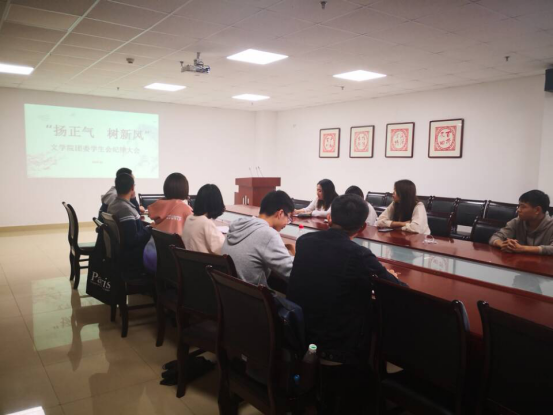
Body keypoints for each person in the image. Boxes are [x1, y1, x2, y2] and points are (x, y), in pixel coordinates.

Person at [287, 194, 406, 414]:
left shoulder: (304, 241)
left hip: (300, 330)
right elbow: (398, 290)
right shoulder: (359, 254)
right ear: (362, 227)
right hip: (337, 344)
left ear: (329, 218)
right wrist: (388, 275)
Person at [222, 190, 295, 286]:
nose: (287, 223)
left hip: (231, 291)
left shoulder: (237, 226)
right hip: (254, 294)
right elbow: (292, 272)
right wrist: (296, 254)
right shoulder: (268, 234)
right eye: (288, 218)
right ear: (280, 213)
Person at [107, 173, 151, 271]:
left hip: (120, 253)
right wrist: (150, 228)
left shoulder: (113, 204)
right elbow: (132, 240)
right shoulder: (125, 209)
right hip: (133, 256)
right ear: (132, 188)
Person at [490, 190, 553, 255]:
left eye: (523, 207)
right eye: (519, 206)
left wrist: (523, 248)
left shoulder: (551, 225)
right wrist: (504, 245)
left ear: (537, 210)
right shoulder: (517, 221)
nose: (518, 210)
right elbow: (495, 237)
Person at [182, 184, 226, 255]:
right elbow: (223, 249)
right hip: (204, 261)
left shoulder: (189, 218)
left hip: (190, 260)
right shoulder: (205, 223)